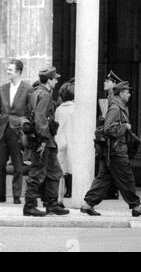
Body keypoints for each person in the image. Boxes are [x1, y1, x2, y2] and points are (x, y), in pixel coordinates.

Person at [81, 81, 141, 217]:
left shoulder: (120, 107)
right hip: (116, 151)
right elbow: (108, 129)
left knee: (104, 179)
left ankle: (88, 204)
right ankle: (136, 206)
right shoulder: (115, 108)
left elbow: (125, 129)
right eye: (127, 92)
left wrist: (139, 141)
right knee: (127, 178)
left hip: (113, 150)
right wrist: (125, 127)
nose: (130, 95)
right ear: (121, 94)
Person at [23, 66, 69, 217]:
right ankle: (29, 206)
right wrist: (43, 139)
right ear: (49, 80)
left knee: (54, 172)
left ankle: (52, 204)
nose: (56, 81)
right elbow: (40, 119)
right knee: (37, 173)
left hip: (44, 141)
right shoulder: (45, 95)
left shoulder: (37, 92)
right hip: (43, 141)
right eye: (55, 79)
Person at [0, 59, 34, 204]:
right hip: (2, 129)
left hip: (18, 130)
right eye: (7, 69)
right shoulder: (2, 88)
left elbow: (31, 110)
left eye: (10, 70)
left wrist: (25, 125)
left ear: (18, 72)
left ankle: (16, 196)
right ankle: (1, 195)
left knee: (18, 165)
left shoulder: (27, 88)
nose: (7, 72)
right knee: (0, 163)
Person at [96, 71, 123, 200]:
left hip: (112, 136)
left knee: (108, 164)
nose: (104, 83)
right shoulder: (108, 98)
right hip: (106, 136)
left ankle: (112, 190)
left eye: (108, 81)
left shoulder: (114, 99)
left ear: (115, 84)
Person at [55, 80, 75, 204]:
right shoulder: (76, 109)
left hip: (60, 142)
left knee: (60, 174)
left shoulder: (58, 109)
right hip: (73, 143)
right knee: (76, 172)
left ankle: (59, 199)